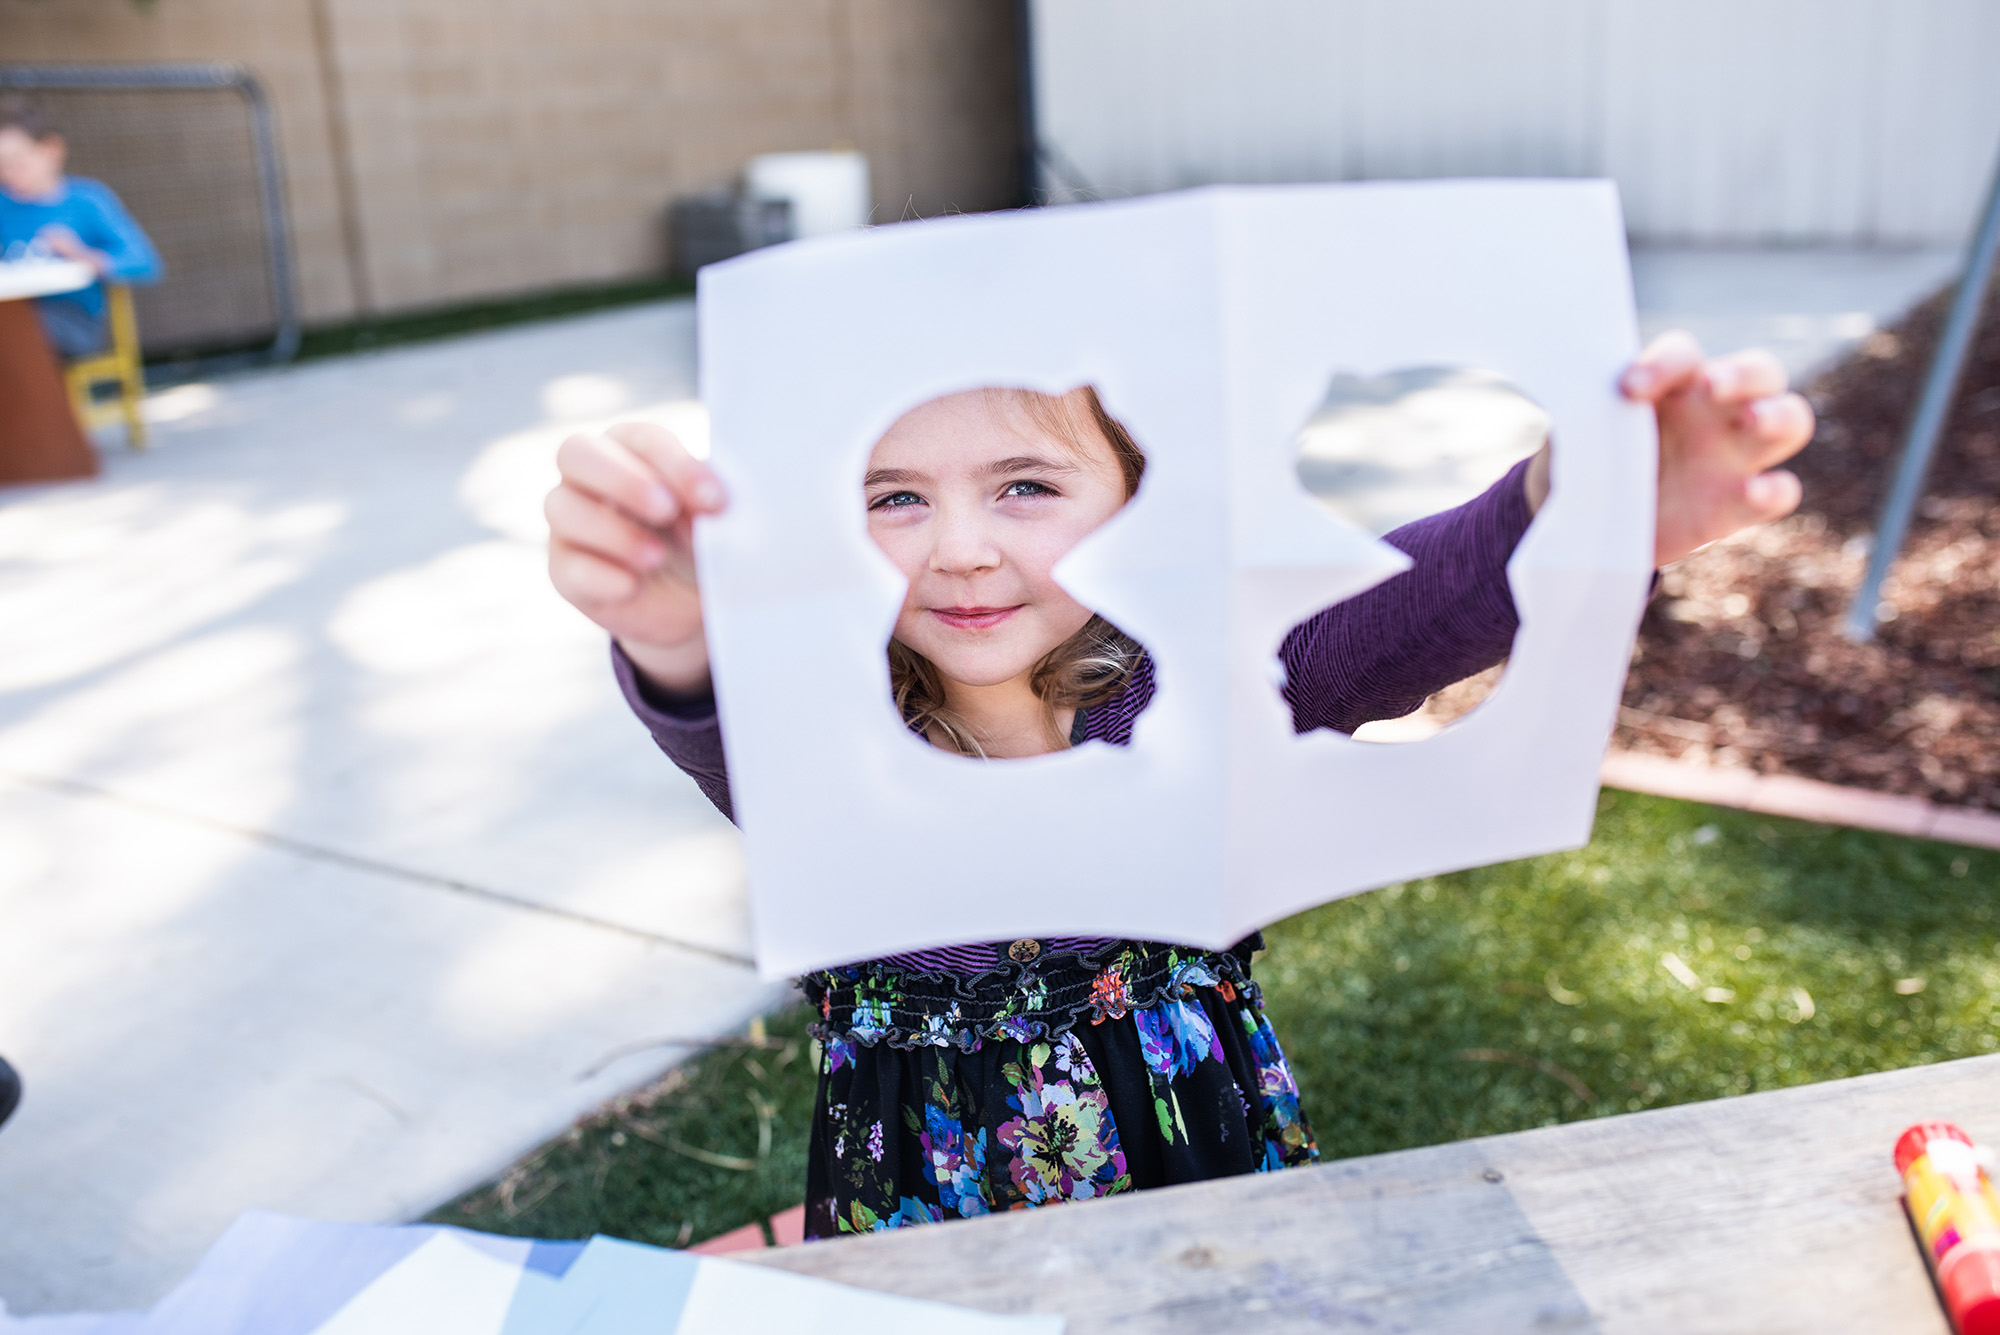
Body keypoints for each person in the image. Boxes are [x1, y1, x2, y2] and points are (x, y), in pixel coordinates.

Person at [545, 330, 1811, 1237]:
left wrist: (1590, 500)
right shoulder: (819, 731)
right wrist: (670, 621)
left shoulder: (1204, 681)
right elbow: (717, 704)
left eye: (1026, 487)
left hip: (1193, 1162)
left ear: (1133, 499)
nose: (962, 548)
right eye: (894, 498)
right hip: (926, 1199)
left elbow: (1413, 600)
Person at [0, 98, 162, 359]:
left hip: (72, 321)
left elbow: (143, 261)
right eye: (1, 164)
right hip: (11, 312)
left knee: (15, 331)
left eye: (17, 160)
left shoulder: (86, 200)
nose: (8, 172)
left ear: (51, 149)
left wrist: (82, 255)